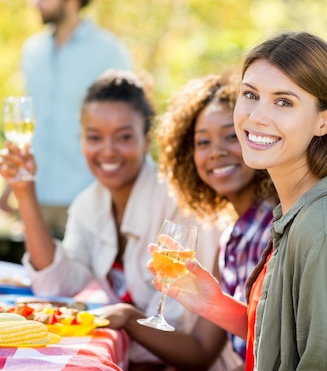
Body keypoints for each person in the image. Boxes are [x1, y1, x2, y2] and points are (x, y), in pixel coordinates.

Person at [154, 32, 327, 371]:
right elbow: (290, 342)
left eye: (284, 102)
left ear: (326, 120)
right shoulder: (302, 210)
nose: (257, 116)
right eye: (250, 95)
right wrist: (215, 304)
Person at [0, 70, 220, 369]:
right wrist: (24, 192)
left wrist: (126, 317)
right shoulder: (89, 204)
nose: (108, 151)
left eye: (124, 137)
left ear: (146, 139)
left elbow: (177, 326)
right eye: (94, 137)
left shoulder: (179, 203)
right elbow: (56, 284)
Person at [97, 75, 278, 371]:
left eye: (230, 136)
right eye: (202, 142)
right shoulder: (231, 236)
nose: (216, 151)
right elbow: (200, 351)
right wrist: (129, 317)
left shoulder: (276, 227)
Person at [0, 0, 132, 239]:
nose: (35, 2)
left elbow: (129, 122)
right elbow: (25, 122)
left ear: (72, 0)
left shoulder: (108, 52)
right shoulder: (32, 51)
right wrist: (9, 186)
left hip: (86, 195)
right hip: (37, 192)